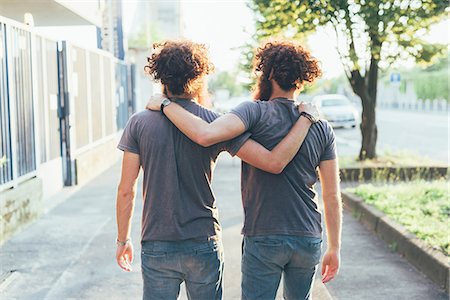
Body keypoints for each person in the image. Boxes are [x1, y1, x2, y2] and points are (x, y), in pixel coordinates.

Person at [115, 40, 319, 300]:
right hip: (203, 240)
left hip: (157, 241)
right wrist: (304, 120)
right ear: (200, 77)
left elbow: (126, 190)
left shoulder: (139, 123)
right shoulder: (215, 121)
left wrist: (123, 239)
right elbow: (271, 161)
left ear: (160, 77)